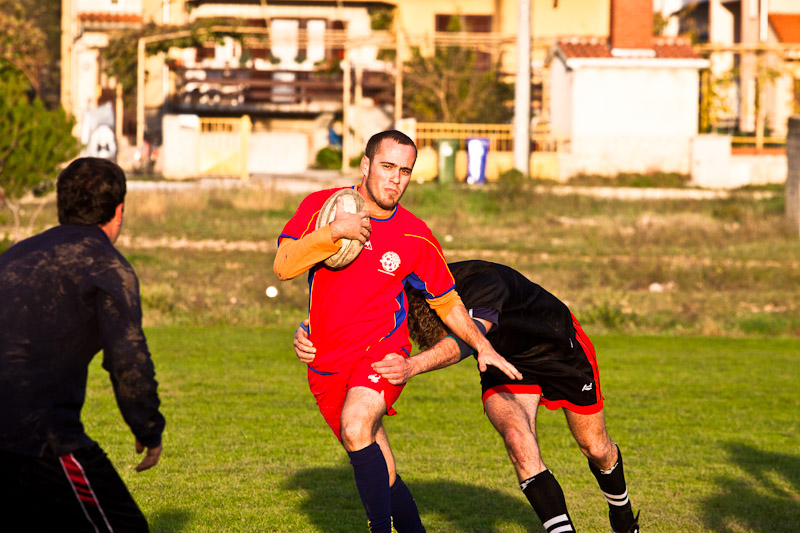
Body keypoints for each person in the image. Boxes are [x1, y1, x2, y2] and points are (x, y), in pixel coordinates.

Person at [274, 131, 519, 533]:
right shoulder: (321, 206)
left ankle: (377, 528)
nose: (396, 179)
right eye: (388, 167)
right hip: (326, 358)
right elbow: (284, 265)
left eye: (405, 171)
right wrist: (335, 231)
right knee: (379, 466)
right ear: (366, 165)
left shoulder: (415, 235)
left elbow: (447, 301)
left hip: (381, 353)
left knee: (356, 426)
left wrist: (481, 345)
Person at [296, 260, 640, 533]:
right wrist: (309, 331)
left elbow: (470, 339)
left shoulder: (483, 283)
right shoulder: (413, 288)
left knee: (595, 447)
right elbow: (354, 305)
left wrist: (412, 365)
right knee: (519, 441)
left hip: (557, 348)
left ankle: (622, 515)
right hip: (498, 359)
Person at [0, 157, 166, 532]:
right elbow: (128, 361)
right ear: (119, 211)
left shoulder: (14, 257)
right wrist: (148, 428)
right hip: (40, 437)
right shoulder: (107, 267)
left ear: (61, 205)